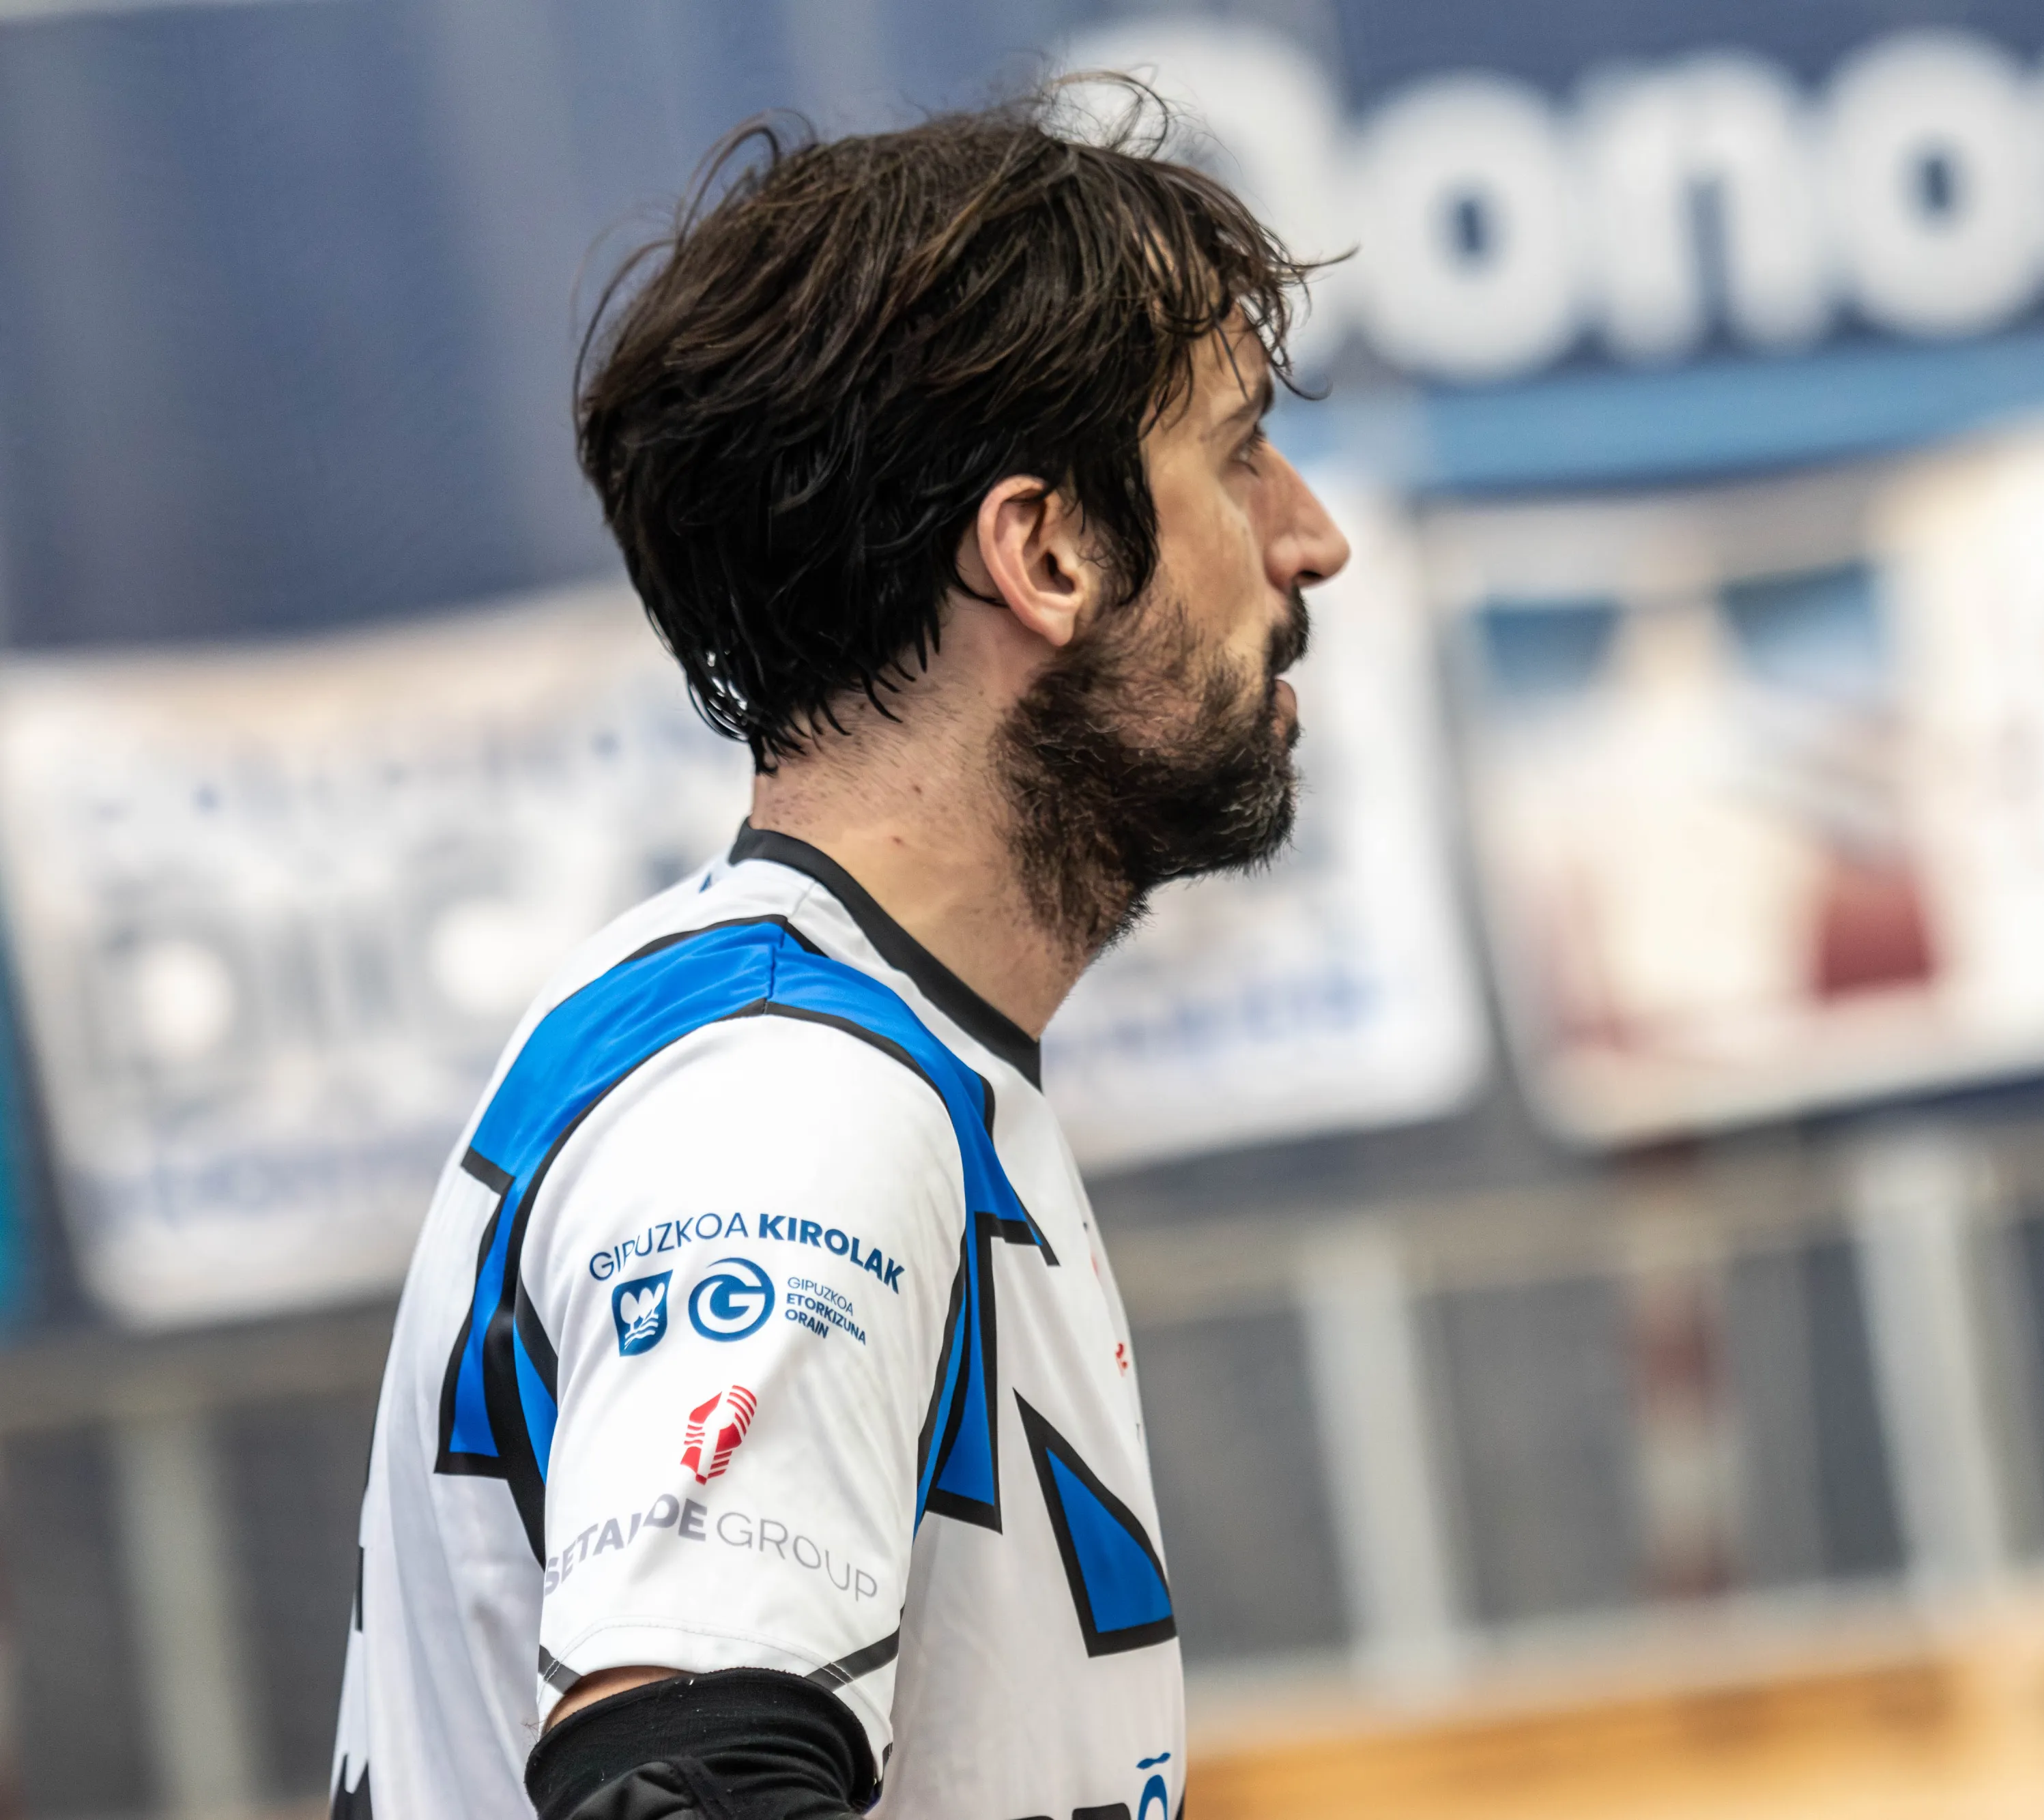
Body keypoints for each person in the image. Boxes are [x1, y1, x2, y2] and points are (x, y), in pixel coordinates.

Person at [330, 91, 1349, 1820]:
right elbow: (681, 1791)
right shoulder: (792, 1104)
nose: (1309, 536)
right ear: (1047, 552)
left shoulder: (839, 1049)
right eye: (1239, 452)